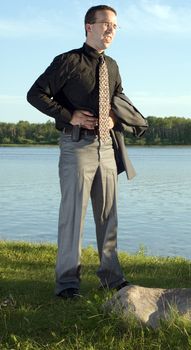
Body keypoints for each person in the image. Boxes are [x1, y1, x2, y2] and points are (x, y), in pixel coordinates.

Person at [27, 5, 147, 298]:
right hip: (76, 146)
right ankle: (67, 285)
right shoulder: (67, 61)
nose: (110, 30)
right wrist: (71, 116)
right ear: (88, 27)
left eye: (115, 26)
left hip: (107, 146)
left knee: (108, 216)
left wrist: (114, 120)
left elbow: (118, 103)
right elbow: (35, 94)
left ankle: (112, 277)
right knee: (73, 216)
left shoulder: (113, 66)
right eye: (105, 23)